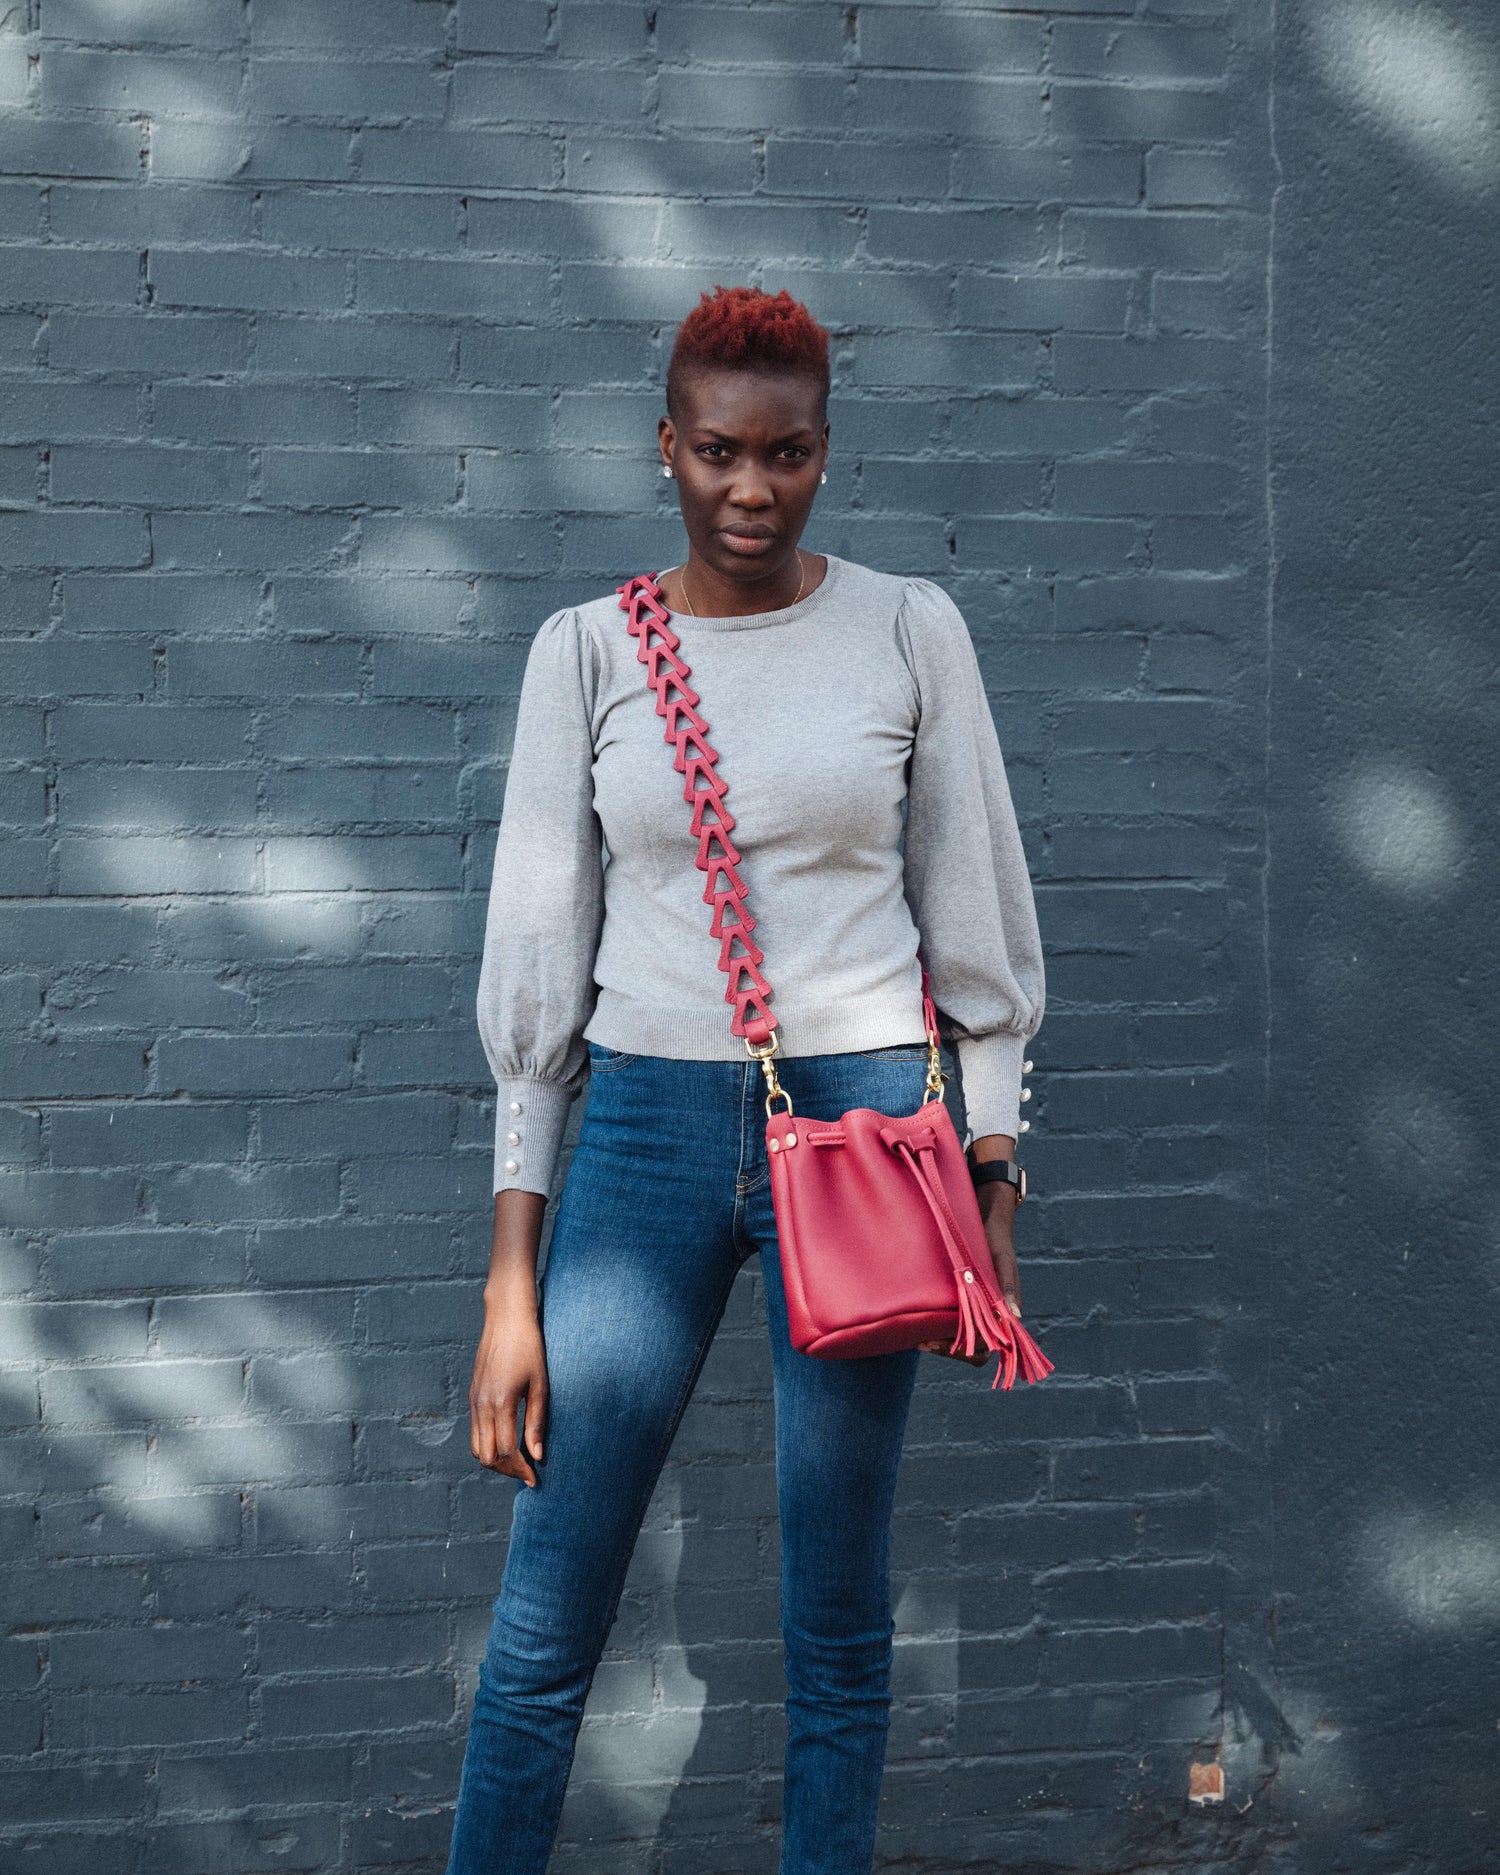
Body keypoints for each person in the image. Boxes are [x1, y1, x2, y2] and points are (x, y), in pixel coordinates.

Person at [446, 285, 1045, 1875]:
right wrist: (514, 1288)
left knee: (839, 1622)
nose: (752, 487)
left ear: (827, 454)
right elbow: (535, 976)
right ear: (667, 448)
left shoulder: (912, 629)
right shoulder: (585, 652)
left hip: (867, 1124)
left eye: (786, 453)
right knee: (542, 1621)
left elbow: (973, 922)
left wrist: (992, 1165)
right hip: (641, 1126)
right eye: (718, 450)